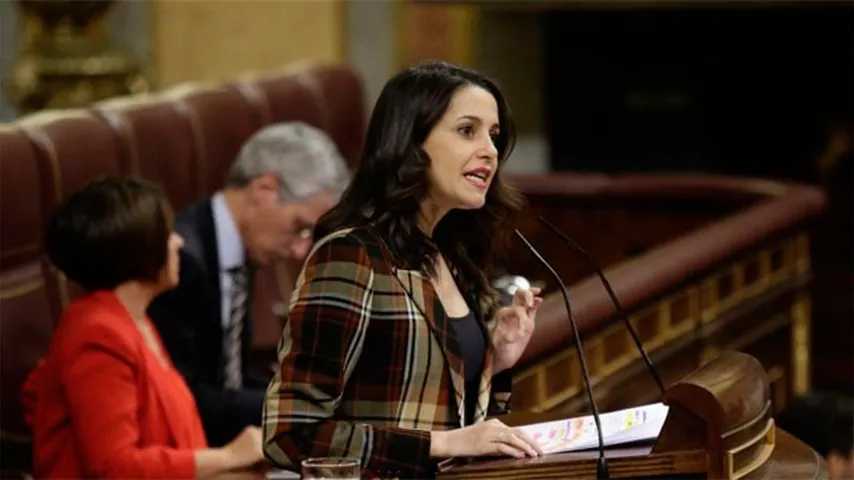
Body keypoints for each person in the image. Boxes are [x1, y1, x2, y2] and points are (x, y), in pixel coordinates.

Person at [263, 61, 544, 478]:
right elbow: (291, 434)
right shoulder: (351, 256)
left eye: (494, 135)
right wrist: (441, 443)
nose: (489, 150)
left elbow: (460, 429)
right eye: (468, 131)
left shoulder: (453, 258)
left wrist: (494, 363)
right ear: (410, 143)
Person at [23, 177, 264, 478]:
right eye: (166, 235)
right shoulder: (97, 334)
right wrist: (227, 456)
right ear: (139, 252)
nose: (178, 242)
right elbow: (116, 466)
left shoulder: (134, 319)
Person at [148, 121, 349, 447]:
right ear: (264, 190)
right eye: (299, 227)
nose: (300, 249)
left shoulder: (241, 249)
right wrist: (298, 409)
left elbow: (231, 379)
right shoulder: (181, 260)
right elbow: (184, 397)